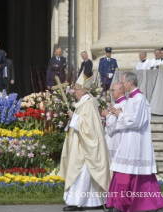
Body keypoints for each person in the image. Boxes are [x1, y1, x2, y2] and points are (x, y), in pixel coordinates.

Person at [107, 72, 163, 212]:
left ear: (130, 83)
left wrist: (119, 115)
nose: (121, 86)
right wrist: (120, 113)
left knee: (130, 172)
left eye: (122, 83)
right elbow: (129, 118)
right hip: (128, 139)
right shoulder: (130, 99)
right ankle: (121, 203)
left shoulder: (139, 99)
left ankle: (124, 204)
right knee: (126, 171)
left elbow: (136, 121)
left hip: (135, 141)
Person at [59, 67, 111, 211]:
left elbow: (90, 129)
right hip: (81, 143)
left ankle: (78, 203)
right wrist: (73, 120)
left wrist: (73, 118)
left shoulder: (88, 103)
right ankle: (92, 202)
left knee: (82, 172)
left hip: (86, 147)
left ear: (83, 90)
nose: (74, 91)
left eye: (76, 89)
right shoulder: (84, 103)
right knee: (85, 173)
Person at [100, 82, 126, 160]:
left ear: (121, 90)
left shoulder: (120, 105)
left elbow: (112, 127)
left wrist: (107, 115)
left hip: (115, 138)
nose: (111, 92)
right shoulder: (122, 103)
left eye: (113, 90)